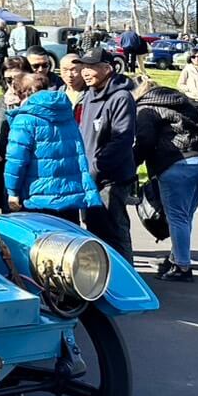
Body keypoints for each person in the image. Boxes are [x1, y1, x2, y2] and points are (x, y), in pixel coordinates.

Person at [134, 79, 198, 282]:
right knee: (186, 215)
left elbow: (145, 141)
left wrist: (132, 163)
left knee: (177, 216)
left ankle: (182, 266)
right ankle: (176, 257)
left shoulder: (145, 108)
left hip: (177, 163)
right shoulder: (182, 102)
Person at [4, 72, 102, 222]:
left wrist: (12, 192)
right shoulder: (65, 113)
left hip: (36, 198)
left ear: (21, 94)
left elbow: (16, 160)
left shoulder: (24, 120)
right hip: (69, 196)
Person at [77, 47, 138, 262]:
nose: (85, 72)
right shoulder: (88, 95)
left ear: (107, 68)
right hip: (90, 178)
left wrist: (95, 169)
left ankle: (127, 281)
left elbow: (121, 141)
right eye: (84, 66)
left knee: (114, 232)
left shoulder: (121, 98)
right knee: (94, 230)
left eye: (92, 67)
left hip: (110, 179)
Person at [0, 57, 32, 210]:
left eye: (18, 78)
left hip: (28, 171)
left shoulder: (36, 102)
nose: (13, 84)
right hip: (3, 168)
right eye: (9, 79)